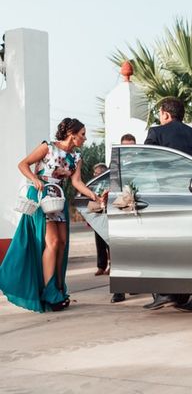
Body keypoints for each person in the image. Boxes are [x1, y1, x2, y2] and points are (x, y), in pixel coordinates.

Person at [0, 118, 99, 312]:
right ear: (72, 134)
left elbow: (77, 183)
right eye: (82, 134)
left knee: (61, 243)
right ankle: (48, 291)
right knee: (52, 242)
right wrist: (34, 179)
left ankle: (58, 289)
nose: (85, 138)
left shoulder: (76, 157)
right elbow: (23, 164)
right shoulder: (48, 147)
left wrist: (93, 195)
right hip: (41, 195)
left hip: (58, 198)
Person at [142, 97, 192, 311]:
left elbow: (143, 163)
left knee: (168, 246)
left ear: (165, 114)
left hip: (169, 198)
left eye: (160, 113)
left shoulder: (157, 133)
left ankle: (168, 293)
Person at [110, 134, 136, 304]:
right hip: (119, 210)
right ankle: (119, 291)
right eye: (125, 147)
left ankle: (134, 283)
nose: (129, 151)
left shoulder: (142, 166)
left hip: (135, 210)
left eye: (131, 147)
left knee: (135, 249)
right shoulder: (114, 167)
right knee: (117, 251)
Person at [92, 162, 110, 276]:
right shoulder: (94, 185)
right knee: (99, 242)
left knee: (109, 241)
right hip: (97, 214)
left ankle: (111, 264)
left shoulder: (109, 183)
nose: (95, 175)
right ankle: (101, 266)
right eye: (94, 173)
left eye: (97, 173)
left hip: (108, 214)